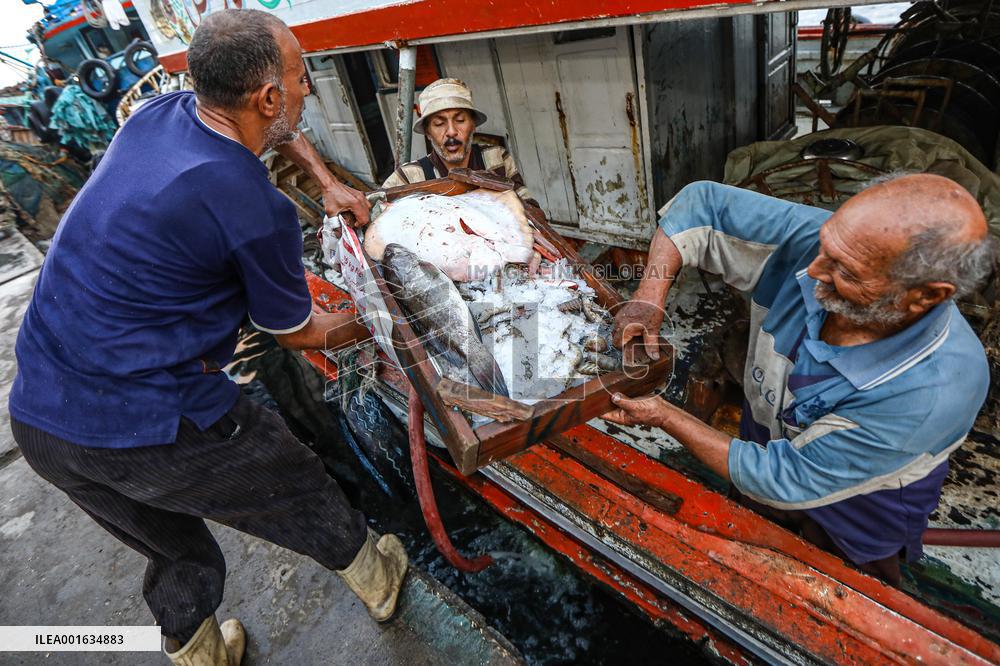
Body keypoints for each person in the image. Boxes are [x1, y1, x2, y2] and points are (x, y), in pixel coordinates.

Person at [8, 10, 406, 665]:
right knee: (293, 481)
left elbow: (268, 132)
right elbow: (300, 332)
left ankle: (199, 652)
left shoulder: (156, 115)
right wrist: (385, 318)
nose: (310, 89)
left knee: (172, 545)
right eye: (303, 79)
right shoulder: (259, 212)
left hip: (41, 416)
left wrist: (329, 182)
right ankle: (380, 581)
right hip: (147, 416)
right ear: (270, 97)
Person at [606, 175, 994, 585]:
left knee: (839, 592)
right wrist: (650, 294)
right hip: (759, 444)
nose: (812, 269)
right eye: (826, 244)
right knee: (739, 544)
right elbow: (700, 203)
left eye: (846, 272)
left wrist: (665, 417)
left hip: (855, 514)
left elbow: (782, 478)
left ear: (926, 296)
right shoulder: (829, 246)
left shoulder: (935, 391)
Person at [381, 78, 537, 205]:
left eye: (460, 120)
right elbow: (376, 207)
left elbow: (528, 205)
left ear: (473, 125)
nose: (451, 132)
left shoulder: (496, 158)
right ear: (428, 132)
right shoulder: (410, 176)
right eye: (439, 124)